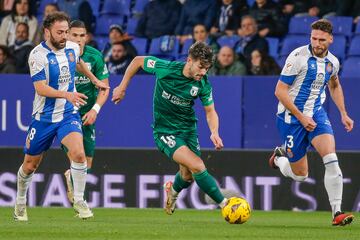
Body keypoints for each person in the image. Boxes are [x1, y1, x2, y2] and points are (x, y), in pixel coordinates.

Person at [112, 41, 229, 215]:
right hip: (165, 131)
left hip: (188, 130)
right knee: (197, 165)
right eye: (201, 66)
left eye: (207, 68)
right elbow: (137, 61)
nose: (203, 72)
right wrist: (122, 87)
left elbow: (210, 111)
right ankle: (226, 205)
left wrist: (214, 132)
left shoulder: (203, 84)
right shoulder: (165, 68)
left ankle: (172, 192)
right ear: (189, 60)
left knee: (187, 176)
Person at [13, 12, 109, 221]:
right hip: (44, 117)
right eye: (60, 32)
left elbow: (78, 63)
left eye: (66, 31)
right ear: (47, 32)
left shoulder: (72, 47)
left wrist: (94, 80)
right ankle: (20, 202)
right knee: (30, 165)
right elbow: (40, 88)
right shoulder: (37, 56)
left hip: (67, 113)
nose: (66, 36)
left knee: (79, 154)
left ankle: (80, 200)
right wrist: (67, 93)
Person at [269, 19, 354, 226]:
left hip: (316, 114)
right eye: (314, 38)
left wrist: (343, 113)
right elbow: (279, 91)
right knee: (300, 176)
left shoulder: (332, 62)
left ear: (331, 39)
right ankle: (279, 158)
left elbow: (334, 85)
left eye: (322, 40)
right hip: (291, 118)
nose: (317, 43)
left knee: (331, 157)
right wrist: (300, 117)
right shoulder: (297, 57)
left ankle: (337, 213)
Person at [63, 20, 110, 203]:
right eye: (74, 35)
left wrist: (95, 110)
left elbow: (104, 88)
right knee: (79, 158)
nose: (78, 39)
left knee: (87, 164)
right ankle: (80, 201)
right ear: (67, 35)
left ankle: (71, 179)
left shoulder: (95, 57)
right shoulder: (59, 56)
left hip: (87, 115)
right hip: (66, 114)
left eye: (82, 36)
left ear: (86, 37)